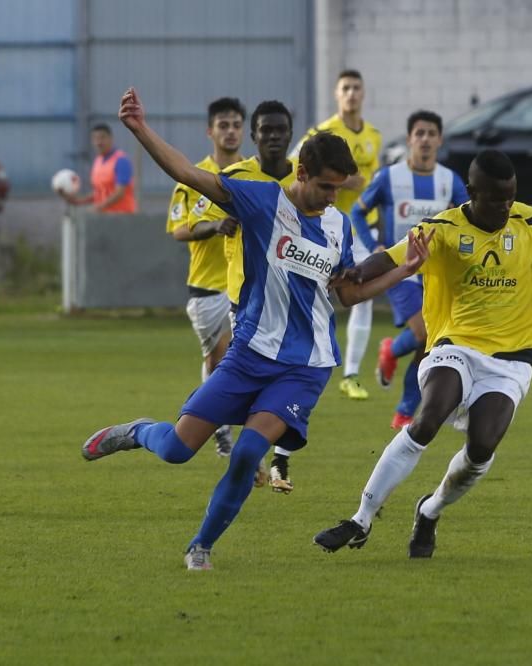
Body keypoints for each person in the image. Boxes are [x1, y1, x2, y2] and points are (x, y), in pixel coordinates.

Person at [80, 87, 432, 571]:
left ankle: (200, 547)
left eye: (339, 188)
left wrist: (404, 270)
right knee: (178, 450)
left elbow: (346, 294)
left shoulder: (337, 225)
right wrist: (139, 128)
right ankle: (137, 432)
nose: (334, 197)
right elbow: (188, 173)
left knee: (248, 451)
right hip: (248, 354)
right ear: (302, 173)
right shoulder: (259, 200)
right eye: (327, 187)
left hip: (305, 366)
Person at [314, 149, 532, 558]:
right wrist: (361, 271)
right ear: (471, 193)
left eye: (510, 197)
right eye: (495, 198)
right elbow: (390, 256)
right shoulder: (443, 228)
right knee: (427, 418)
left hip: (512, 360)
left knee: (482, 446)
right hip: (454, 345)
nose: (505, 206)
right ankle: (360, 519)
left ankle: (430, 510)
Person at [189, 100, 302, 493]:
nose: (272, 136)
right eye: (264, 130)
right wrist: (221, 222)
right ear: (255, 137)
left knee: (297, 382)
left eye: (280, 129)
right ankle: (232, 440)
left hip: (298, 304)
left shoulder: (304, 178)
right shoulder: (234, 177)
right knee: (248, 378)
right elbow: (192, 220)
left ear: (290, 133)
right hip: (248, 303)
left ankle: (277, 459)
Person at [350, 110, 468, 430]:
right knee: (425, 334)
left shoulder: (450, 181)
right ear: (409, 139)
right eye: (420, 133)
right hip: (401, 270)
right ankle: (404, 405)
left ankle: (397, 378)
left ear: (440, 140)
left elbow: (466, 219)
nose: (425, 139)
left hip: (437, 273)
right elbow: (357, 212)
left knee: (427, 341)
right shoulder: (389, 178)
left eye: (431, 133)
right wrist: (373, 244)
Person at [293, 69, 381, 401]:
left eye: (357, 87)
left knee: (362, 295)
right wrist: (343, 182)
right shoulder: (322, 133)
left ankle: (352, 373)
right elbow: (296, 166)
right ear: (336, 94)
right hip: (322, 225)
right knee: (314, 294)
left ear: (363, 93)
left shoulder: (374, 136)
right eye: (345, 88)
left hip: (358, 228)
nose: (352, 93)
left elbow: (370, 185)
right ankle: (302, 360)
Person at [166, 97, 245, 456]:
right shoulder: (191, 177)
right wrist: (213, 226)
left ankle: (223, 426)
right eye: (224, 125)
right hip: (206, 288)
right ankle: (212, 423)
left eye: (236, 125)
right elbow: (178, 230)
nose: (230, 131)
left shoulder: (251, 174)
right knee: (218, 360)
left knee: (229, 358)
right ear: (210, 131)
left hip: (245, 285)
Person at [60, 123, 137, 213]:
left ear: (111, 138)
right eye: (95, 138)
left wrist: (97, 208)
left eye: (102, 138)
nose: (98, 142)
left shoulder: (121, 161)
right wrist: (79, 201)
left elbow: (119, 193)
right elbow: (99, 192)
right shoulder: (98, 161)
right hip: (103, 217)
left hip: (122, 216)